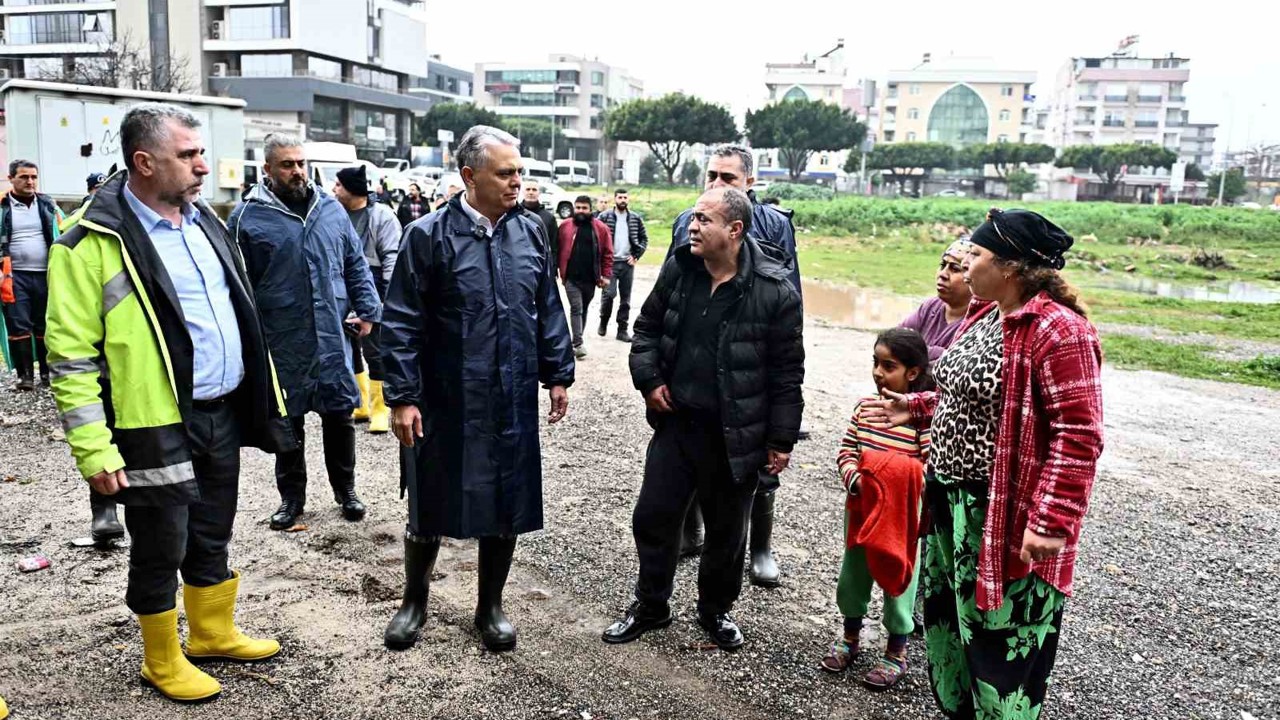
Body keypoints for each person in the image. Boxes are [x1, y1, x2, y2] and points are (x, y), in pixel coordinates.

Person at [46, 103, 296, 703]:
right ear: (144, 162)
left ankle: (210, 632)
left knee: (213, 528)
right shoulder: (89, 242)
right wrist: (93, 448)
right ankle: (161, 658)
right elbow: (70, 357)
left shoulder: (204, 220)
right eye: (187, 156)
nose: (203, 166)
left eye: (200, 153)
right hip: (152, 421)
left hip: (222, 409)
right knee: (162, 540)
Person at [861, 208, 1104, 719]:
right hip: (951, 506)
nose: (965, 264)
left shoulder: (1059, 331)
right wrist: (917, 406)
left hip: (1003, 517)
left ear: (1012, 266)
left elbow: (1078, 436)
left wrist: (1052, 521)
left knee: (1001, 643)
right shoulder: (986, 313)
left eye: (976, 254)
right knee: (952, 631)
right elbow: (971, 395)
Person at [380, 125, 574, 653]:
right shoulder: (427, 235)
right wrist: (401, 395)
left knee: (506, 497)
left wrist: (557, 373)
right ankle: (414, 602)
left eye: (519, 172)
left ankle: (490, 606)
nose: (518, 182)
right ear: (470, 176)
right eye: (505, 173)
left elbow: (546, 307)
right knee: (430, 499)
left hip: (509, 394)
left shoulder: (530, 231)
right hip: (444, 396)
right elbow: (400, 321)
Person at [602, 187, 804, 651]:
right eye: (693, 218)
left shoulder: (774, 291)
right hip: (677, 427)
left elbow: (787, 373)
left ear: (734, 230)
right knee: (653, 517)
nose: (692, 227)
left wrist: (781, 439)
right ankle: (651, 605)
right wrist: (650, 382)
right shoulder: (680, 268)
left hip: (735, 436)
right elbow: (647, 329)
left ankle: (715, 611)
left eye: (704, 220)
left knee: (727, 535)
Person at [229, 134, 382, 531]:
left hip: (331, 332)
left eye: (300, 163)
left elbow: (355, 264)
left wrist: (367, 309)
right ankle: (291, 499)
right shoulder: (247, 217)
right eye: (286, 165)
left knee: (339, 415)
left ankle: (345, 490)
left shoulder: (331, 209)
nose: (297, 171)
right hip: (282, 336)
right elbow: (235, 283)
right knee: (288, 420)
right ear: (267, 170)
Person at [668, 144, 801, 587]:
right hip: (698, 357)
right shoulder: (687, 221)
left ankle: (759, 547)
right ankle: (691, 531)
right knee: (686, 450)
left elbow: (789, 296)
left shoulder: (776, 226)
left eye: (728, 177)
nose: (717, 184)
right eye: (711, 175)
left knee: (754, 460)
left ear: (749, 182)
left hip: (751, 359)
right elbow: (674, 294)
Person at [821, 328, 933, 690]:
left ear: (912, 373)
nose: (879, 373)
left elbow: (930, 467)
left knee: (899, 577)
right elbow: (847, 451)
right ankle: (849, 639)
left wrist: (898, 484)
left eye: (889, 366)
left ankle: (896, 653)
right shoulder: (865, 408)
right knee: (853, 572)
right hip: (861, 507)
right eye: (876, 363)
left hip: (901, 515)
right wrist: (856, 480)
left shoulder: (921, 419)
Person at [332, 165, 402, 434]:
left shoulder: (381, 215)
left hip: (372, 288)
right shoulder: (334, 213)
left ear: (350, 188)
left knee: (376, 349)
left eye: (338, 185)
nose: (334, 189)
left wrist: (385, 298)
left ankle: (381, 408)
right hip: (341, 289)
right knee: (349, 347)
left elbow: (392, 256)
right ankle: (360, 403)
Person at [1, 160, 65, 391]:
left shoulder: (48, 204)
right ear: (11, 179)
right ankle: (25, 376)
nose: (30, 182)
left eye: (33, 177)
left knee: (46, 323)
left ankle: (48, 374)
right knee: (18, 324)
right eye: (24, 177)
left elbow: (64, 231)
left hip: (47, 274)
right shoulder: (2, 206)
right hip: (13, 276)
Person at [555, 195, 613, 359]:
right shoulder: (565, 226)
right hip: (571, 278)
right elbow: (556, 248)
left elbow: (608, 253)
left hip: (591, 278)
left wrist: (606, 275)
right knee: (576, 308)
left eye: (584, 208)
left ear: (590, 209)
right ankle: (578, 343)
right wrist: (557, 269)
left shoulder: (600, 228)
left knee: (584, 309)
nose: (580, 211)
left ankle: (577, 340)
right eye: (578, 208)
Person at [900, 239, 974, 361]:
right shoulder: (930, 307)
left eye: (955, 269)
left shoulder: (981, 321)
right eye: (943, 265)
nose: (943, 274)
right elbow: (893, 343)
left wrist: (918, 352)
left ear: (974, 277)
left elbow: (957, 365)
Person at [596, 187, 649, 343]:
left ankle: (622, 330)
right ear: (615, 199)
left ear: (628, 199)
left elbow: (644, 239)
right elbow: (595, 238)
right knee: (609, 294)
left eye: (625, 198)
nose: (623, 200)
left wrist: (636, 256)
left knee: (625, 299)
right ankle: (603, 321)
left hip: (627, 263)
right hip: (609, 263)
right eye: (620, 197)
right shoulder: (604, 217)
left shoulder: (635, 218)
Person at [521, 181, 559, 257]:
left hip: (541, 264)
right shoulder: (513, 215)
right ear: (522, 192)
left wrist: (552, 267)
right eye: (528, 189)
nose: (531, 192)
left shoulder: (549, 218)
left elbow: (554, 246)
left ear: (539, 193)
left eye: (534, 190)